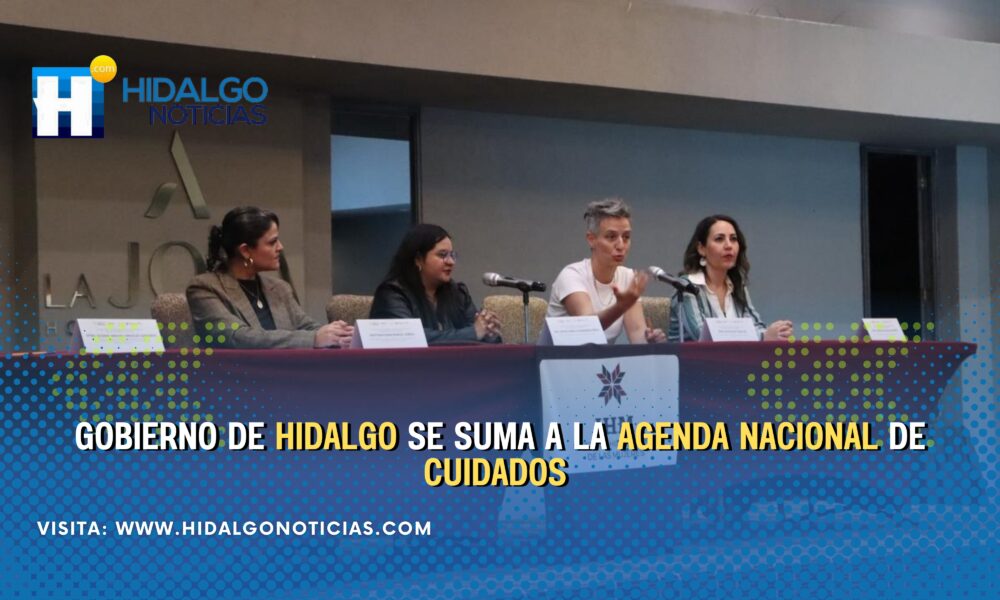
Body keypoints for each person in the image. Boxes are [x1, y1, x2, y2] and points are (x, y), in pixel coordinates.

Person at [186, 206, 354, 349]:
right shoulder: (204, 288)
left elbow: (305, 326)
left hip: (288, 372)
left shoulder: (279, 288)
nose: (280, 247)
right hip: (240, 374)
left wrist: (338, 334)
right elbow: (236, 337)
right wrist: (314, 339)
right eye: (272, 242)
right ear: (245, 251)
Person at [546, 198, 666, 344]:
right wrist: (621, 306)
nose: (621, 245)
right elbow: (587, 328)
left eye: (626, 237)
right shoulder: (571, 275)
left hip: (599, 358)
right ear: (591, 239)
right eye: (611, 237)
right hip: (559, 357)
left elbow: (637, 333)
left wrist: (650, 342)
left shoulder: (627, 277)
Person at [369, 224, 501, 345]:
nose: (450, 262)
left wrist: (489, 332)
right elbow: (409, 338)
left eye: (452, 255)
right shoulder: (393, 293)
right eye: (442, 255)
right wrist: (473, 333)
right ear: (418, 259)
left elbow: (479, 332)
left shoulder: (458, 294)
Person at [668, 214, 793, 342]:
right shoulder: (686, 287)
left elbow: (755, 325)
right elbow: (702, 336)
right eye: (719, 239)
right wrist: (762, 337)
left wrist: (774, 332)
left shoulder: (737, 285)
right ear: (701, 248)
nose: (729, 245)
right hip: (688, 355)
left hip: (730, 355)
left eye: (733, 239)